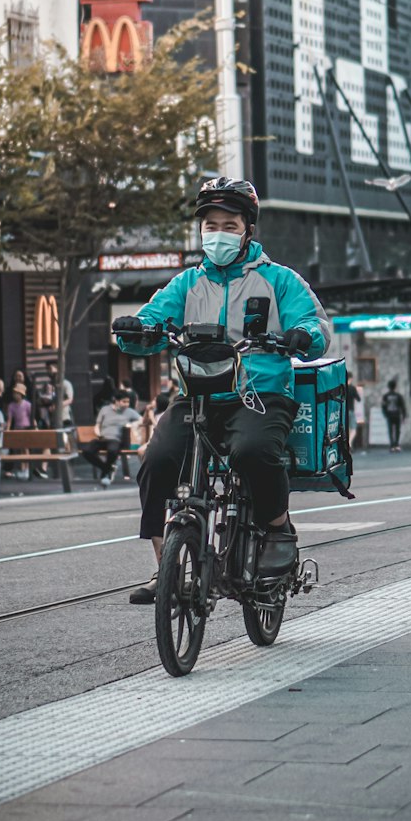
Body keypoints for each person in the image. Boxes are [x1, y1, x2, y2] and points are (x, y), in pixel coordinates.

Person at [115, 176, 329, 604]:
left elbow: (316, 325)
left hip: (260, 395)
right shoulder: (186, 284)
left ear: (249, 229)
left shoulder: (279, 280)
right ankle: (166, 569)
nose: (217, 234)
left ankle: (277, 528)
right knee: (156, 460)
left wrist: (302, 335)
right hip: (198, 396)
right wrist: (136, 330)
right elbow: (151, 323)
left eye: (228, 225)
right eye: (210, 225)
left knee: (253, 452)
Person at [82, 390, 142, 485]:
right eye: (124, 401)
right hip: (103, 438)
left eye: (128, 402)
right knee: (86, 451)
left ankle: (105, 472)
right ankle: (107, 468)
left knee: (112, 450)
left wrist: (132, 424)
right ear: (116, 401)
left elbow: (142, 420)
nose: (127, 404)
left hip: (116, 440)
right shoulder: (105, 409)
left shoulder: (129, 412)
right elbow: (97, 425)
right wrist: (98, 433)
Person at [382, 377, 407, 452]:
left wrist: (385, 414)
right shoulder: (399, 396)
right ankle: (396, 445)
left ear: (389, 387)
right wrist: (404, 416)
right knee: (397, 430)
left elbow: (383, 406)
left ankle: (392, 445)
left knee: (390, 430)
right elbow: (402, 406)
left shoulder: (386, 396)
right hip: (397, 414)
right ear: (395, 387)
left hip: (389, 415)